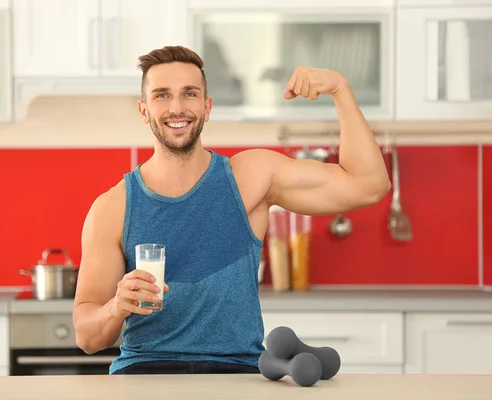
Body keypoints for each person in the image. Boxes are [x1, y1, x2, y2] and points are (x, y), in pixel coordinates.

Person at [72, 46, 391, 375]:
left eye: (190, 94)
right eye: (162, 95)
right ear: (144, 110)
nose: (177, 107)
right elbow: (87, 336)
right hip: (145, 371)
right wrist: (115, 308)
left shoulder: (250, 177)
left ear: (207, 107)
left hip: (236, 373)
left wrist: (340, 90)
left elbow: (369, 185)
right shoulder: (113, 207)